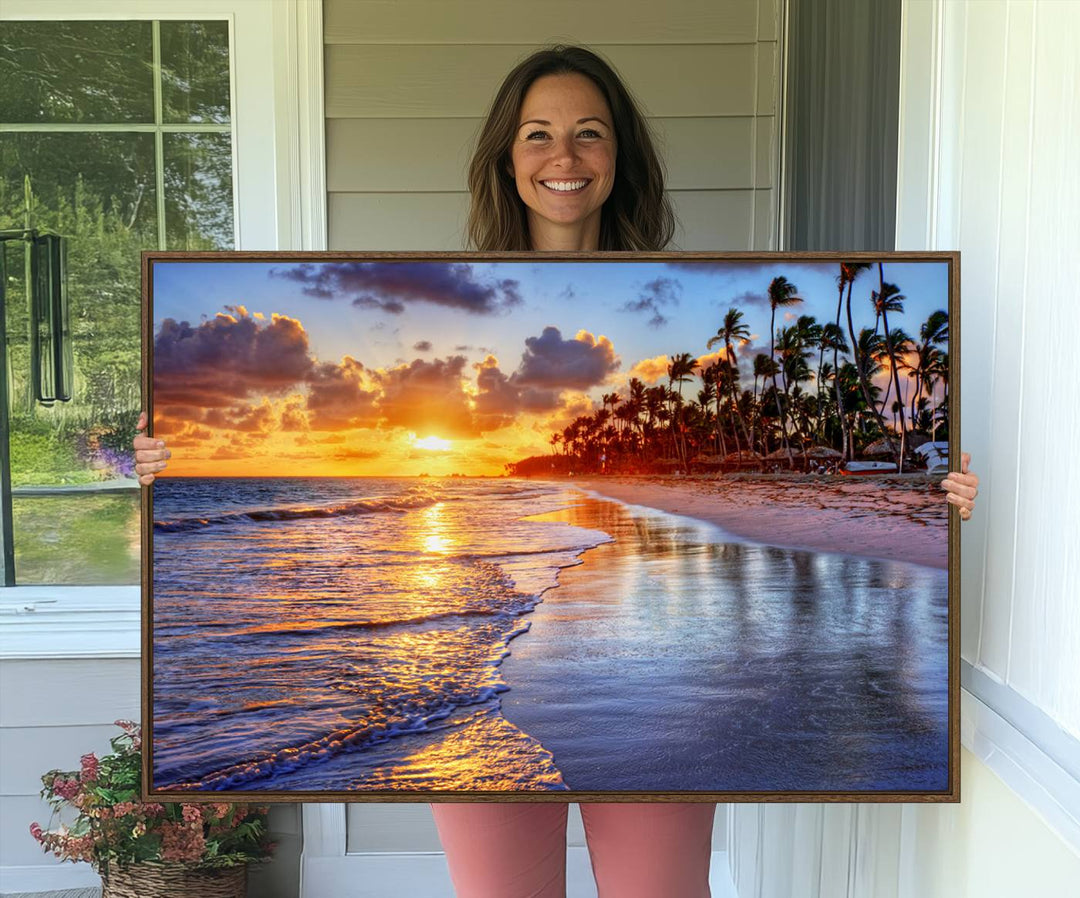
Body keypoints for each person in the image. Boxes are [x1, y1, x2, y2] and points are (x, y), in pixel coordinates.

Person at [134, 45, 980, 898]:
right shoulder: (451, 296)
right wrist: (172, 459)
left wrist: (933, 490)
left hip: (652, 702)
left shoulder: (685, 310)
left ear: (620, 158)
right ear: (508, 158)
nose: (564, 157)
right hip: (474, 692)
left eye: (589, 134)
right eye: (538, 134)